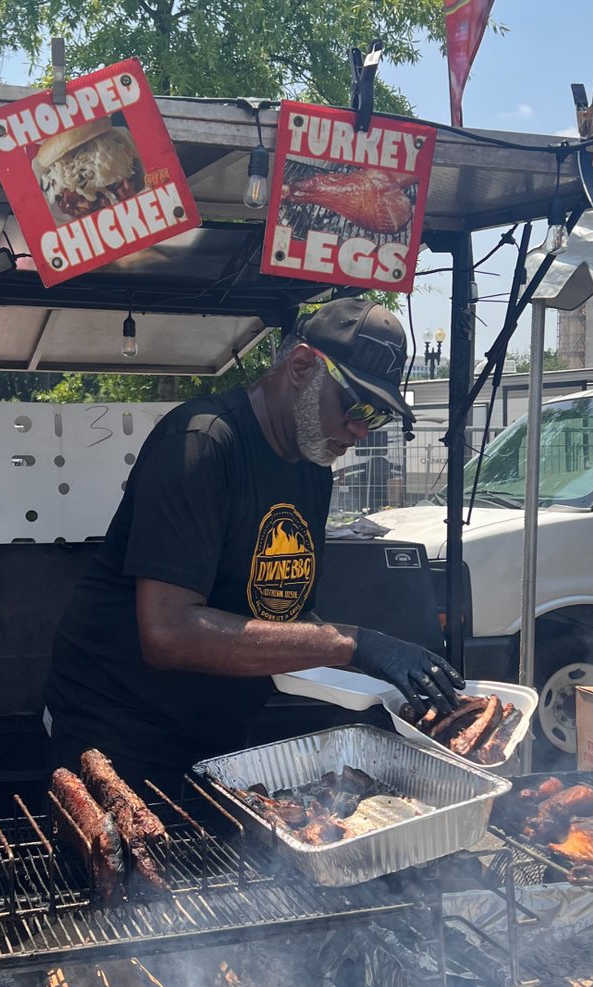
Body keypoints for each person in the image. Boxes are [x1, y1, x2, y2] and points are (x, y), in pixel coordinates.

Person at [43, 297, 465, 797]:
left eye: (377, 418)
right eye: (356, 406)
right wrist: (355, 643)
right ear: (303, 366)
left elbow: (282, 615)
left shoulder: (312, 470)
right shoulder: (201, 443)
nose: (359, 430)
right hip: (117, 735)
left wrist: (384, 671)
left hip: (218, 736)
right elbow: (168, 632)